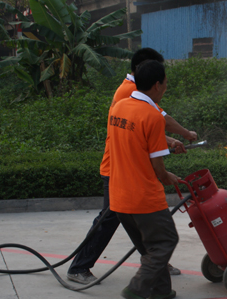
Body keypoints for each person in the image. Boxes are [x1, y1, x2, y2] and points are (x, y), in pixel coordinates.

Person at [67, 48, 197, 285]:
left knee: (139, 221)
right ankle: (79, 267)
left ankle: (156, 261)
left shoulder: (133, 92)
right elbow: (154, 121)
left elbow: (143, 127)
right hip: (119, 167)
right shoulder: (131, 91)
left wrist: (168, 140)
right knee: (111, 218)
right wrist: (185, 135)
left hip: (122, 164)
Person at [110, 59, 179, 299]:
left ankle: (161, 290)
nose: (166, 87)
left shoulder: (119, 107)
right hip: (144, 198)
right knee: (165, 241)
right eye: (165, 83)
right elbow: (157, 166)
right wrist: (168, 177)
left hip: (119, 197)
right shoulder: (152, 116)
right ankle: (136, 289)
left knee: (148, 247)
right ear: (158, 85)